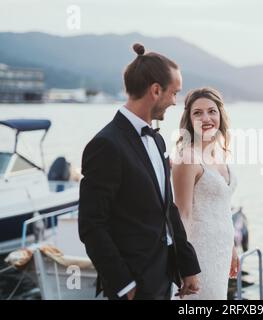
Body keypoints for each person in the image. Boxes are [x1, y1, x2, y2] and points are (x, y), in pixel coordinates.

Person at [78, 43, 200, 300]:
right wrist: (123, 284)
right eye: (174, 93)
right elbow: (92, 225)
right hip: (133, 283)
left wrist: (188, 266)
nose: (175, 102)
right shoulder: (106, 145)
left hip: (165, 275)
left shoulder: (157, 140)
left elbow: (168, 208)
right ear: (156, 90)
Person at [172, 87, 239, 299]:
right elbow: (182, 213)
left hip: (221, 251)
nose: (206, 118)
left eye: (211, 111)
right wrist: (185, 265)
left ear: (220, 114)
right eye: (197, 113)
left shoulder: (220, 155)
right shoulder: (187, 158)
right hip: (199, 253)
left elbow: (223, 207)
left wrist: (232, 247)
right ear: (189, 119)